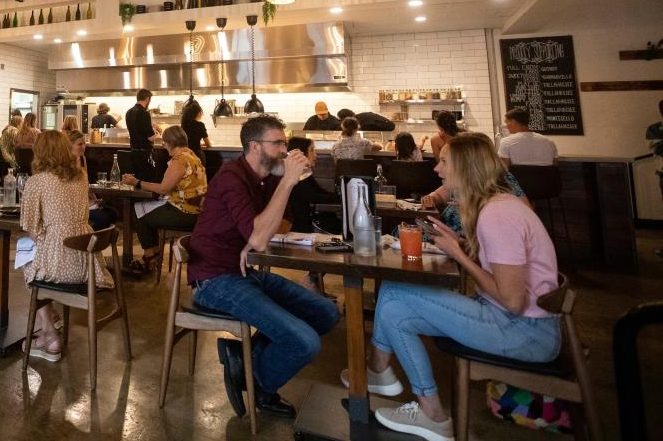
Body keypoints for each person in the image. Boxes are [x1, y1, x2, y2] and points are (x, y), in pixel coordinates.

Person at [346, 133, 560, 440]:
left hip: (523, 331)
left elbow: (513, 300)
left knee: (393, 291)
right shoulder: (500, 205)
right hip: (521, 324)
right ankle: (414, 401)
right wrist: (462, 244)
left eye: (444, 161)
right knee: (396, 309)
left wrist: (459, 253)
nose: (437, 169)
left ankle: (385, 377)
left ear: (465, 167)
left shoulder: (497, 215)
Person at [187, 115, 339, 419]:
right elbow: (260, 236)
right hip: (214, 280)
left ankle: (243, 360)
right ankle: (259, 384)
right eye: (278, 143)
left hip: (243, 271)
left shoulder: (264, 178)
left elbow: (279, 224)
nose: (285, 149)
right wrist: (285, 184)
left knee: (326, 313)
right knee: (305, 343)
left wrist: (249, 241)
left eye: (284, 142)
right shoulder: (232, 177)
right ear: (255, 147)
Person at [21, 130, 114, 361]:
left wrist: (47, 237)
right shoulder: (80, 176)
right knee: (34, 256)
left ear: (39, 152)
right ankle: (48, 323)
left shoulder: (37, 182)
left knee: (26, 261)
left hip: (60, 265)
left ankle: (50, 334)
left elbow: (30, 228)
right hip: (88, 263)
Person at [121, 125, 207, 273]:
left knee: (138, 212)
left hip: (185, 212)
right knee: (145, 209)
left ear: (168, 143)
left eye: (164, 143)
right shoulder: (192, 155)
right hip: (198, 211)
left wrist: (136, 182)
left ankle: (150, 257)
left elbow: (163, 188)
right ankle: (153, 253)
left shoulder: (179, 160)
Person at [422, 133, 531, 233]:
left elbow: (525, 219)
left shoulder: (497, 202)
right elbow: (439, 195)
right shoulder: (462, 183)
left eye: (444, 161)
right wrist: (432, 199)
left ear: (468, 165)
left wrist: (458, 247)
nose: (436, 168)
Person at [286, 137, 339, 296]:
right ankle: (311, 282)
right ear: (301, 154)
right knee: (338, 240)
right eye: (312, 151)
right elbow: (312, 196)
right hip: (296, 225)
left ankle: (315, 284)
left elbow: (319, 193)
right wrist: (342, 197)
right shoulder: (297, 172)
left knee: (338, 232)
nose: (315, 155)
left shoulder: (305, 171)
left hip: (305, 221)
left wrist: (341, 196)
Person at [68, 129, 119, 231]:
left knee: (114, 213)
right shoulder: (67, 162)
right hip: (74, 205)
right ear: (70, 145)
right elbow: (71, 190)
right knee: (104, 218)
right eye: (79, 144)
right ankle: (87, 238)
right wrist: (89, 203)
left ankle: (91, 239)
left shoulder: (83, 159)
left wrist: (95, 199)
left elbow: (85, 184)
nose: (83, 147)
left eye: (84, 143)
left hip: (86, 202)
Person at [125, 88, 161, 181]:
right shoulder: (144, 113)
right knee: (147, 180)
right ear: (148, 99)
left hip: (133, 151)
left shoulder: (128, 112)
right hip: (145, 154)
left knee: (137, 180)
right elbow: (150, 138)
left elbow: (138, 128)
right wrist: (158, 134)